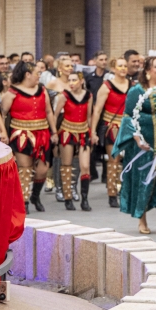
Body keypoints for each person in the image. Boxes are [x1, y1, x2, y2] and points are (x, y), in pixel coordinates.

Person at [115, 56, 156, 234]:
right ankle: (142, 219)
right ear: (148, 70)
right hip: (144, 145)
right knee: (144, 181)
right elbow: (128, 116)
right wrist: (137, 139)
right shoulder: (137, 90)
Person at [2, 61, 57, 213]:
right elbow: (2, 114)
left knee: (43, 169)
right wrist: (3, 133)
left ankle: (35, 196)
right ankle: (24, 201)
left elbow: (48, 112)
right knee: (25, 169)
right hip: (21, 134)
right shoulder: (12, 93)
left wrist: (54, 132)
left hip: (43, 133)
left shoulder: (42, 90)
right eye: (37, 73)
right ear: (27, 74)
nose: (39, 76)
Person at [90, 57, 131, 208]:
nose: (123, 68)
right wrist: (93, 131)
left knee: (126, 160)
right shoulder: (106, 86)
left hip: (128, 125)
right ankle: (112, 194)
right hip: (111, 126)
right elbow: (97, 110)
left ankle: (123, 189)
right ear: (113, 69)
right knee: (114, 160)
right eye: (120, 66)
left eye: (125, 66)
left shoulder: (132, 85)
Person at [54, 70, 94, 211]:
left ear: (81, 81)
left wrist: (92, 132)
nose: (71, 83)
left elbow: (89, 116)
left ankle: (84, 199)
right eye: (69, 80)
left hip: (83, 132)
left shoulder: (88, 95)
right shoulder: (64, 96)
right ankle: (68, 197)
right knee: (67, 165)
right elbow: (55, 114)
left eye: (74, 80)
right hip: (67, 131)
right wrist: (53, 132)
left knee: (85, 166)